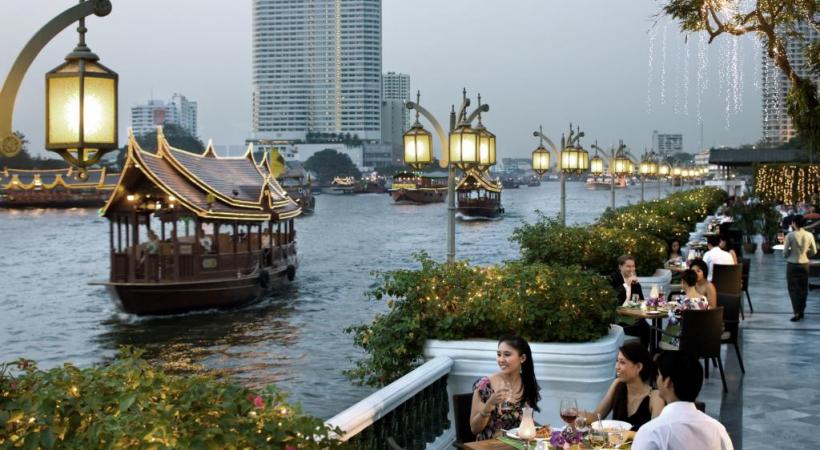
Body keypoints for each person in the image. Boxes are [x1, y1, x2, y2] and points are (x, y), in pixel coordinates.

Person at [632, 352, 734, 450]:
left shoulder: (651, 432)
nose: (656, 379)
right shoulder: (718, 429)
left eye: (658, 375)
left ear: (668, 382)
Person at [470, 335, 541, 441]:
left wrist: (544, 431)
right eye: (499, 354)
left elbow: (526, 423)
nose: (501, 360)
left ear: (522, 358)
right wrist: (490, 404)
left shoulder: (527, 384)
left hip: (519, 445)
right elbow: (474, 429)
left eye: (507, 355)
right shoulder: (484, 385)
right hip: (489, 446)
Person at [584, 342, 664, 431]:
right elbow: (596, 417)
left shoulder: (655, 397)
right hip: (614, 444)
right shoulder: (617, 384)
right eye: (617, 361)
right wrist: (578, 416)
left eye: (622, 362)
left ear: (638, 367)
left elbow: (655, 434)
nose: (616, 367)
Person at [610, 255, 650, 348]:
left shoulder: (634, 281)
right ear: (620, 267)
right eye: (628, 266)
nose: (631, 269)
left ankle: (647, 355)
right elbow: (613, 298)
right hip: (618, 319)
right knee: (646, 330)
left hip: (632, 316)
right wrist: (626, 284)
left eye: (633, 266)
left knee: (650, 329)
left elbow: (640, 301)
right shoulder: (613, 279)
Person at [784, 215, 817, 322]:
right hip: (805, 264)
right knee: (803, 288)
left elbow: (784, 253)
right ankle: (802, 310)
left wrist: (789, 253)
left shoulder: (790, 235)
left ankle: (797, 312)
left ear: (794, 223)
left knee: (793, 289)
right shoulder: (809, 235)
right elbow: (814, 251)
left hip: (792, 264)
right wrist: (808, 254)